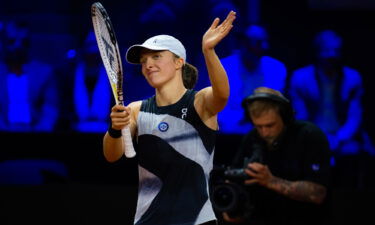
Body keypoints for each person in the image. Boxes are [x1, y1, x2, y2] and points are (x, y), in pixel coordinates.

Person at [103, 11, 236, 225]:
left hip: (197, 221)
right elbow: (111, 155)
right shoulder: (136, 110)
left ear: (178, 62)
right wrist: (114, 129)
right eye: (144, 60)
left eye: (156, 57)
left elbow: (222, 94)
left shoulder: (199, 102)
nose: (148, 65)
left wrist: (208, 50)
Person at [218, 87, 331, 225]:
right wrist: (233, 206)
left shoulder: (309, 136)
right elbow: (234, 180)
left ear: (285, 116)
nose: (264, 132)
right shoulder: (251, 138)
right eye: (258, 126)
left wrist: (270, 181)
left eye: (270, 125)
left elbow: (318, 194)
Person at [289, 29, 374, 188]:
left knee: (354, 157)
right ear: (318, 52)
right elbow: (300, 115)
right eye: (327, 51)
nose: (332, 57)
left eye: (336, 52)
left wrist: (339, 138)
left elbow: (354, 117)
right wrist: (320, 138)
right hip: (312, 135)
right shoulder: (300, 78)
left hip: (344, 138)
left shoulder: (352, 78)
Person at [217, 24, 287, 134]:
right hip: (230, 131)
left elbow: (277, 106)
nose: (264, 47)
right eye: (258, 43)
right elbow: (217, 107)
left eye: (265, 42)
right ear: (243, 44)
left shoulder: (276, 68)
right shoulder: (223, 67)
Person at [0, 20, 59, 132]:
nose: (18, 46)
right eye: (12, 41)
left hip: (36, 134)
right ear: (3, 43)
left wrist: (39, 131)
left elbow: (50, 108)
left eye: (24, 42)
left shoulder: (44, 72)